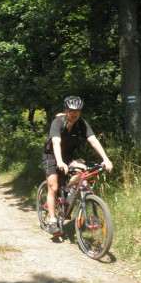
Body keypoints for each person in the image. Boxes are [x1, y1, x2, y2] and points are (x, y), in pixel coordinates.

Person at [42, 96, 113, 233]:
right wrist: (60, 161)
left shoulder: (81, 124)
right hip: (51, 155)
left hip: (68, 156)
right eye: (71, 111)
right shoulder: (58, 122)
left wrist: (106, 159)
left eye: (77, 111)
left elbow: (93, 140)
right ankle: (52, 220)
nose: (74, 114)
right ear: (66, 110)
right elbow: (56, 142)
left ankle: (66, 194)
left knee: (83, 172)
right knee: (53, 186)